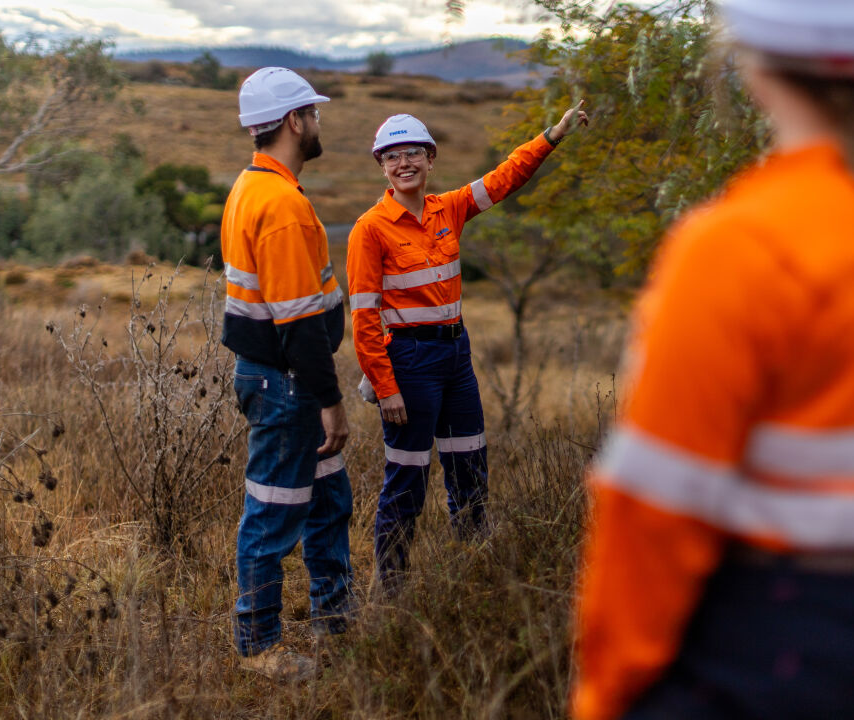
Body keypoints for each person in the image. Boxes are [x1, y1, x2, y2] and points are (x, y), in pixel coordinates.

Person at [572, 1, 854, 718]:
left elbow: (652, 513)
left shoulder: (735, 249)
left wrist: (607, 699)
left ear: (750, 60)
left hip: (766, 649)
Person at [346, 104, 589, 585]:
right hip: (410, 364)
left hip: (456, 357)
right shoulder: (369, 229)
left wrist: (553, 135)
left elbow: (505, 178)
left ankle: (472, 580)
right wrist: (385, 386)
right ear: (382, 168)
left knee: (470, 470)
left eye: (413, 152)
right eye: (392, 157)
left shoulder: (449, 208)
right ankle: (390, 591)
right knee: (408, 479)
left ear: (430, 159)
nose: (404, 163)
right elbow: (364, 317)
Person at [220, 66, 352, 680]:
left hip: (276, 378)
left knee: (328, 501)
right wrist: (331, 402)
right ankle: (260, 648)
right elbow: (298, 322)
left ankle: (337, 619)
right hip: (288, 385)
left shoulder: (253, 186)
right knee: (273, 513)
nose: (319, 123)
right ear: (294, 121)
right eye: (313, 113)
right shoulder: (280, 206)